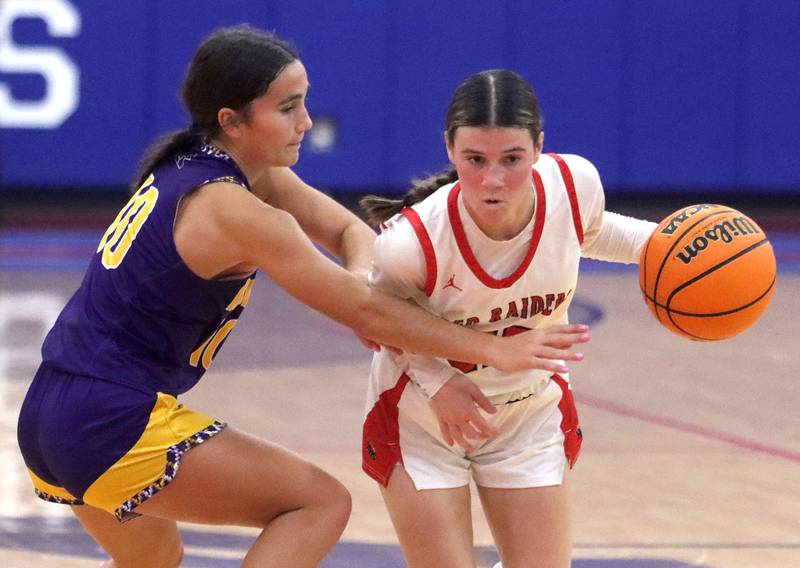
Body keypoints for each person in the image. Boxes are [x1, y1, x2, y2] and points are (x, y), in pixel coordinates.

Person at [16, 28, 591, 568]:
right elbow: (366, 312)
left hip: (48, 413)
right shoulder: (235, 209)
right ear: (232, 120)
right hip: (110, 419)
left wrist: (368, 283)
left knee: (154, 558)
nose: (306, 121)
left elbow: (351, 234)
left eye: (304, 102)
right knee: (317, 505)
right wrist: (496, 351)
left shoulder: (210, 169)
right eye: (288, 107)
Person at [360, 69, 657, 568]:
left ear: (539, 146)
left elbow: (593, 231)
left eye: (512, 159)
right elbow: (378, 321)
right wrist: (438, 382)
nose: (493, 180)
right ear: (450, 149)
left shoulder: (573, 183)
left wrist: (672, 243)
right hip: (422, 422)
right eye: (475, 160)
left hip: (527, 414)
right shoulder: (411, 244)